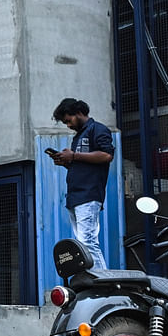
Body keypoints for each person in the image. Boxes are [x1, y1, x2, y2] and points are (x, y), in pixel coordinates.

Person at [51, 97, 114, 270]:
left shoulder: (98, 129)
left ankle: (105, 285)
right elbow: (82, 164)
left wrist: (73, 156)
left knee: (88, 242)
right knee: (83, 245)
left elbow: (107, 156)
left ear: (78, 113)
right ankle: (96, 281)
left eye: (68, 120)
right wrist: (67, 162)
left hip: (89, 194)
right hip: (75, 197)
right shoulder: (78, 136)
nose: (68, 125)